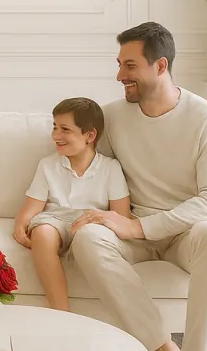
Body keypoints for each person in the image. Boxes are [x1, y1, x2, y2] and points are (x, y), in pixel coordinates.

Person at [70, 21, 207, 351]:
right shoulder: (111, 118)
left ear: (160, 66)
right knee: (88, 238)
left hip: (186, 232)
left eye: (130, 66)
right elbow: (86, 170)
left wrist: (141, 229)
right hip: (134, 225)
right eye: (119, 64)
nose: (119, 76)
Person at [13, 97, 131, 311]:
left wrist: (98, 222)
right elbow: (33, 207)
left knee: (90, 237)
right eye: (55, 127)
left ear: (90, 135)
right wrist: (21, 225)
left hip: (91, 223)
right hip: (55, 219)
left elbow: (121, 215)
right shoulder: (48, 165)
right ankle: (61, 311)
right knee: (43, 232)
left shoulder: (110, 168)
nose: (56, 135)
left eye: (65, 129)